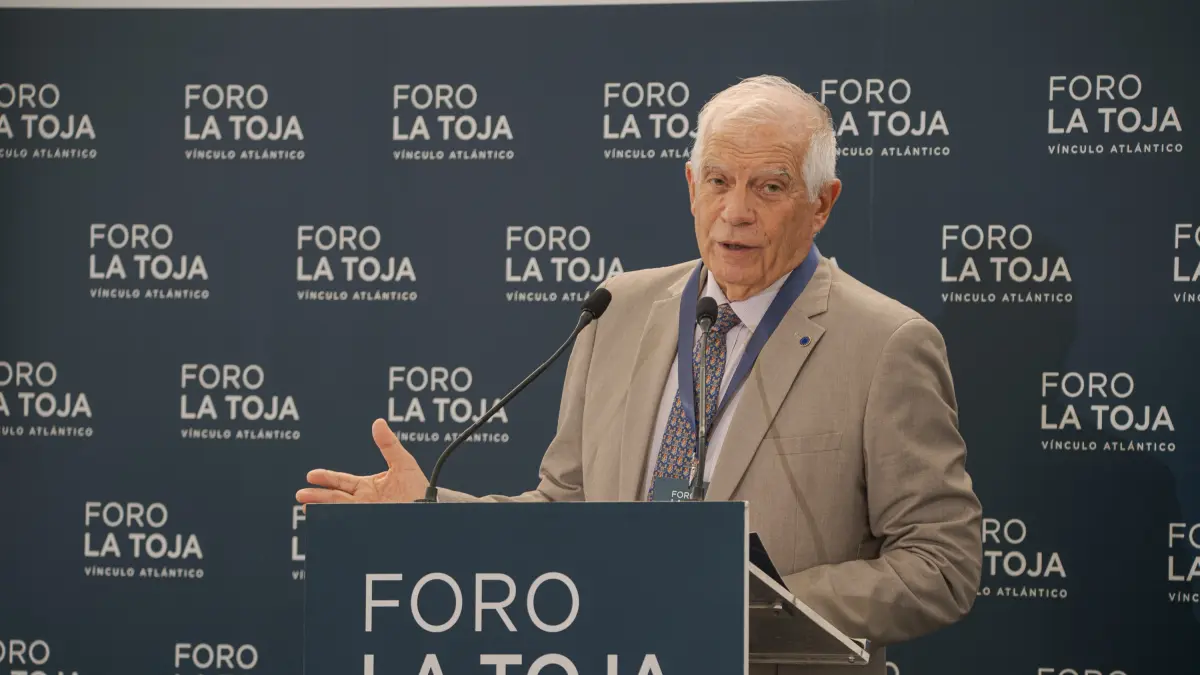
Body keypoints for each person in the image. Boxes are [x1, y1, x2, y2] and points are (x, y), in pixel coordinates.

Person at [297, 75, 983, 674]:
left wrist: (752, 605)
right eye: (718, 181)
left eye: (769, 187)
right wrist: (429, 513)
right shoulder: (617, 309)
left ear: (822, 203)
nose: (736, 211)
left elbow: (941, 564)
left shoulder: (886, 344)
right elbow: (565, 510)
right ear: (691, 187)